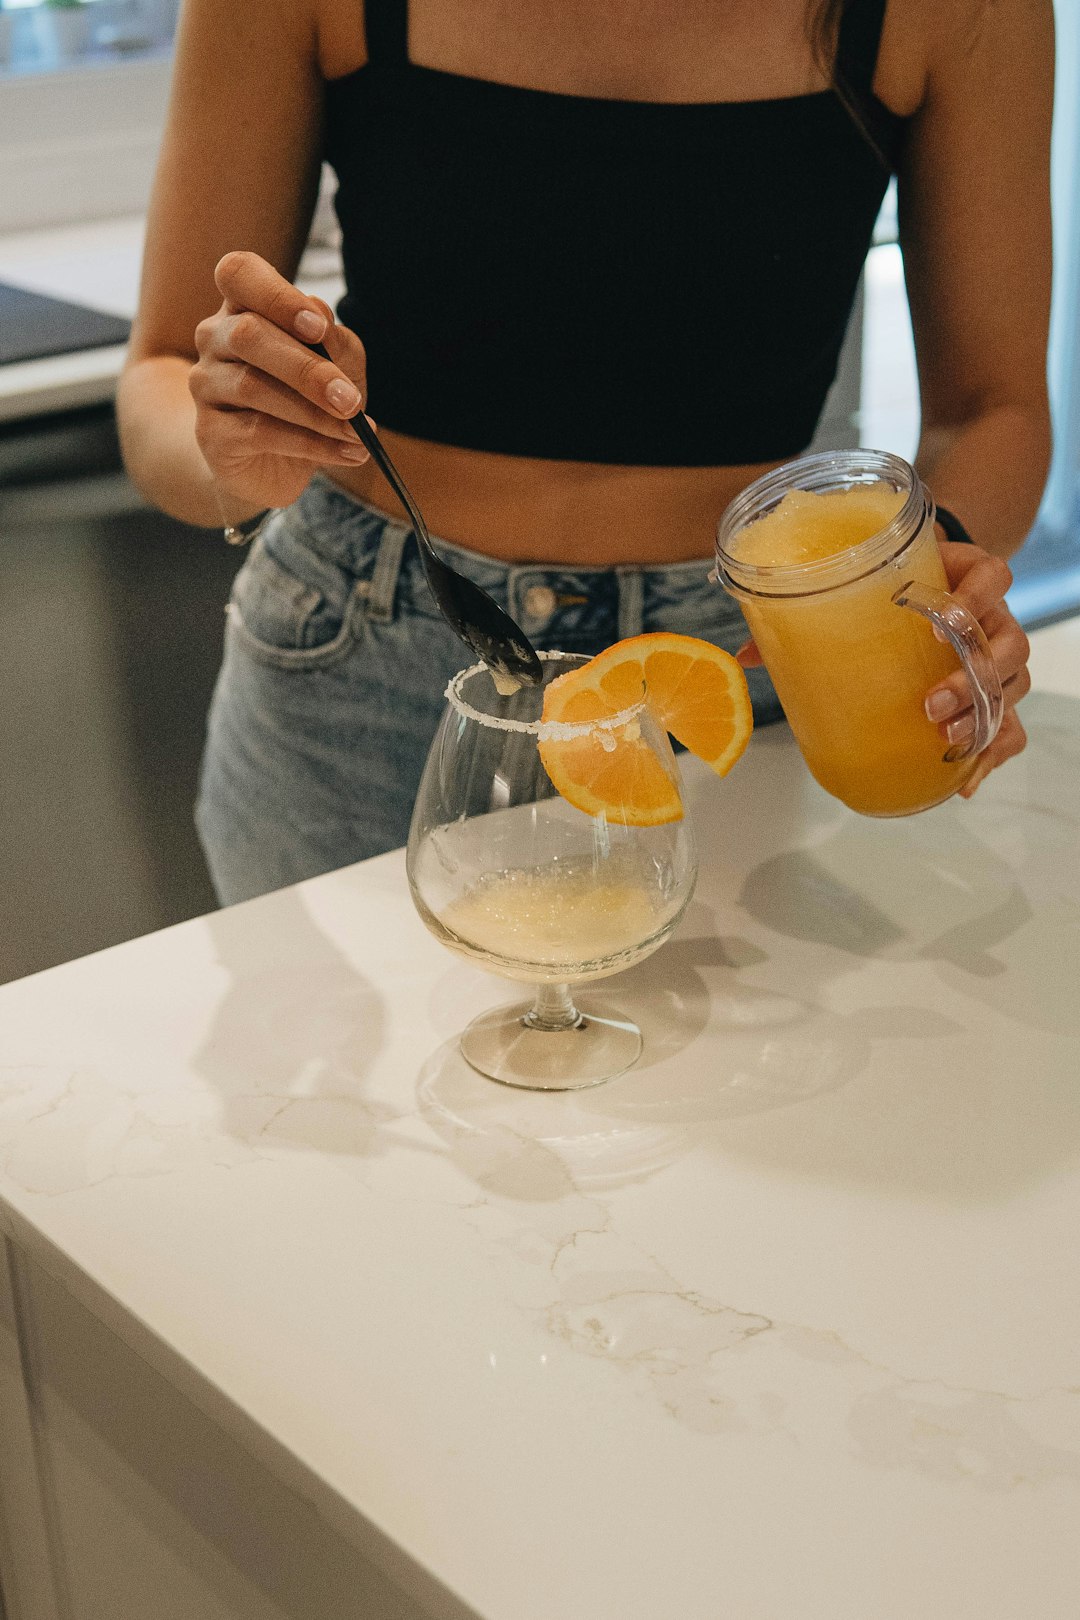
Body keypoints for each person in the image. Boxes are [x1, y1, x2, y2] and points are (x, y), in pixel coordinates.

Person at [116, 0, 1053, 906]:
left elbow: (992, 411)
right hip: (362, 665)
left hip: (736, 673)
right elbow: (159, 371)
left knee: (733, 1069)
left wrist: (940, 597)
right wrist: (232, 452)